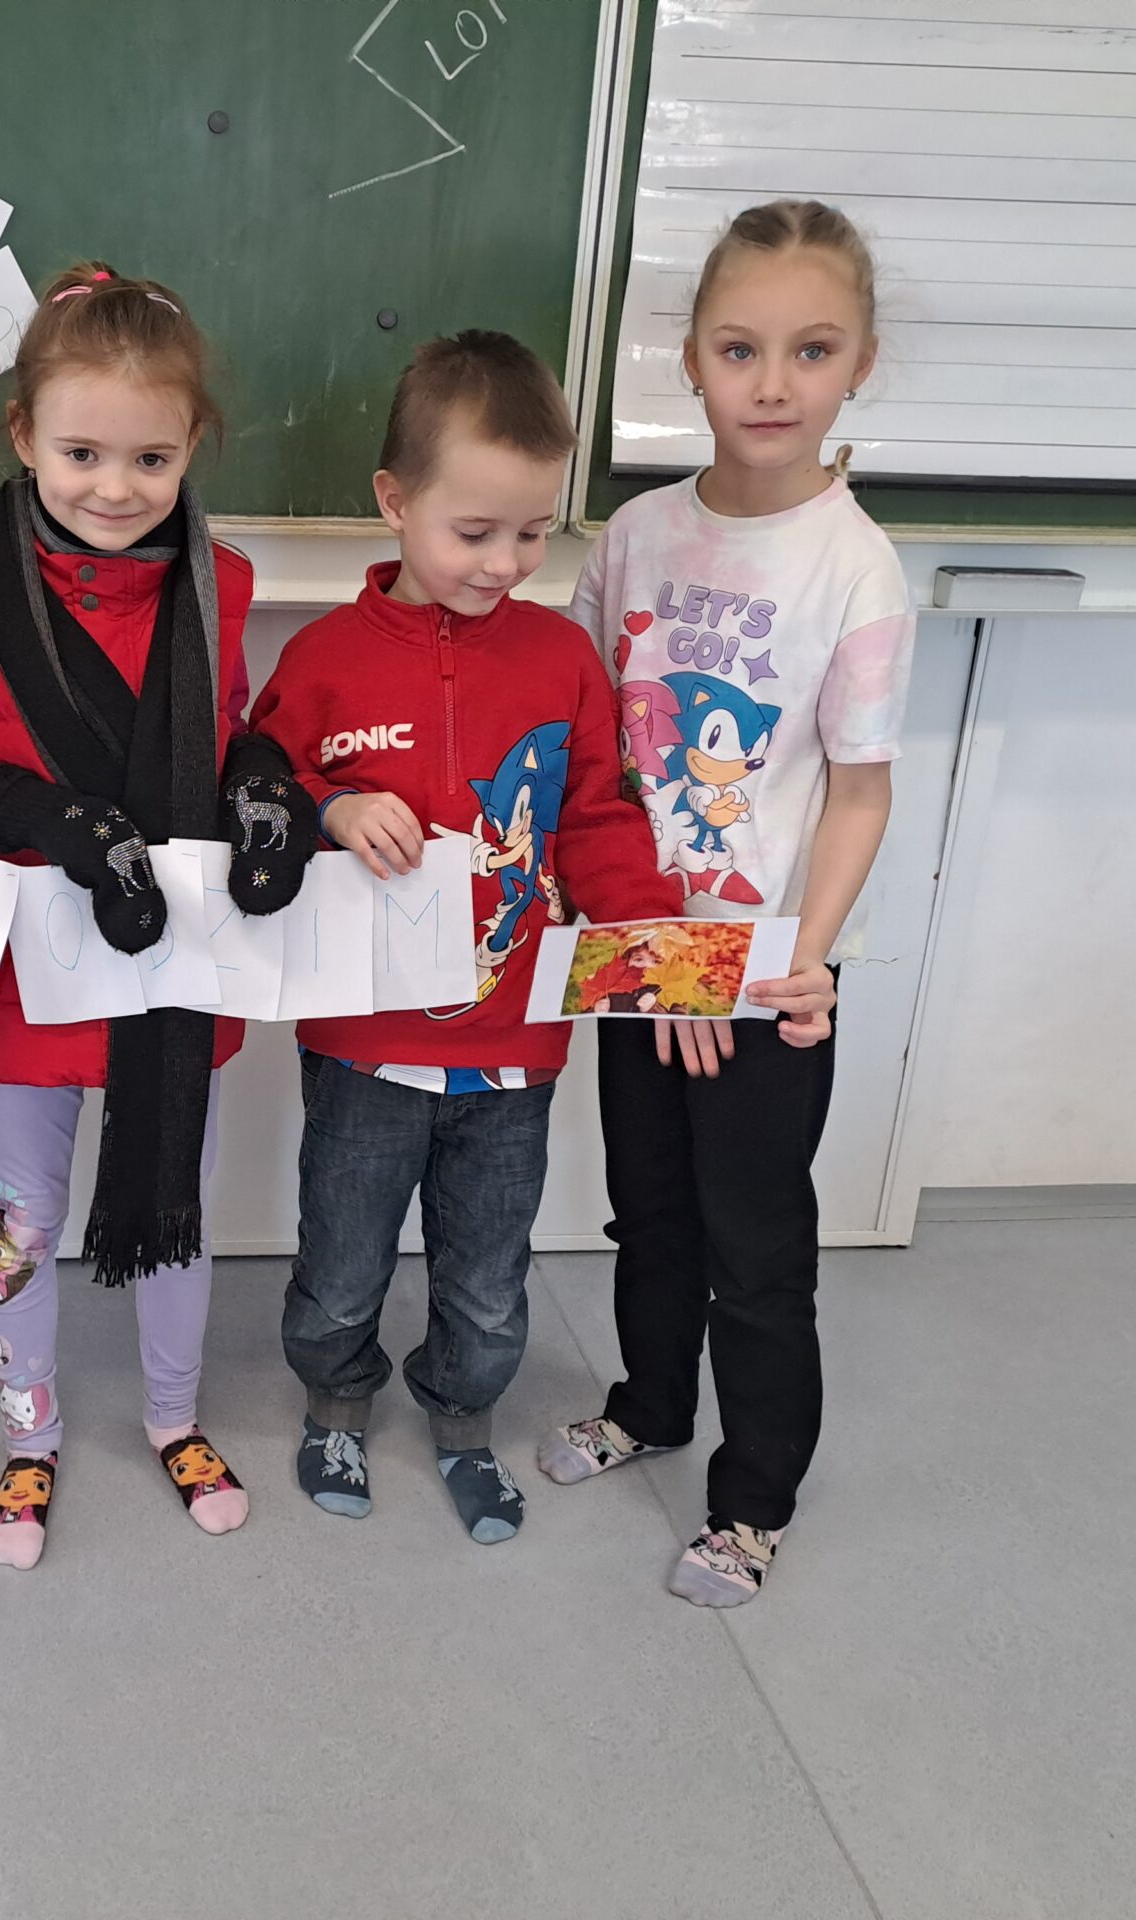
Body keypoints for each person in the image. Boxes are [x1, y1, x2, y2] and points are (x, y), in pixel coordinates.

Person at [0, 263, 317, 1570]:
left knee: (173, 1200)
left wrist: (264, 789)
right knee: (20, 1215)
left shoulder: (219, 584)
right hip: (30, 962)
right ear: (24, 436)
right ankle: (29, 1436)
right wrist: (28, 807)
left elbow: (229, 731)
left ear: (193, 447)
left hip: (171, 963)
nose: (115, 487)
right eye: (81, 453)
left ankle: (175, 1420)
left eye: (151, 458)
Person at [542, 199, 915, 1608]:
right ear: (690, 359)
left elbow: (860, 791)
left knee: (755, 1249)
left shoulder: (854, 567)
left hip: (765, 977)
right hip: (642, 950)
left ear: (858, 364)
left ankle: (753, 1500)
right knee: (648, 1210)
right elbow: (591, 745)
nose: (772, 383)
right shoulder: (637, 536)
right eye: (739, 348)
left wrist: (799, 961)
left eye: (811, 351)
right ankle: (647, 1404)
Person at [248, 331, 677, 1544]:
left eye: (533, 532)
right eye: (475, 531)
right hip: (361, 1047)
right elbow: (257, 790)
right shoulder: (322, 662)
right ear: (395, 501)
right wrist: (329, 806)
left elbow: (595, 816)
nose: (506, 562)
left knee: (487, 1278)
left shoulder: (560, 658)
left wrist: (651, 935)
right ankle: (336, 1402)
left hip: (513, 1051)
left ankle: (461, 1420)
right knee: (342, 1259)